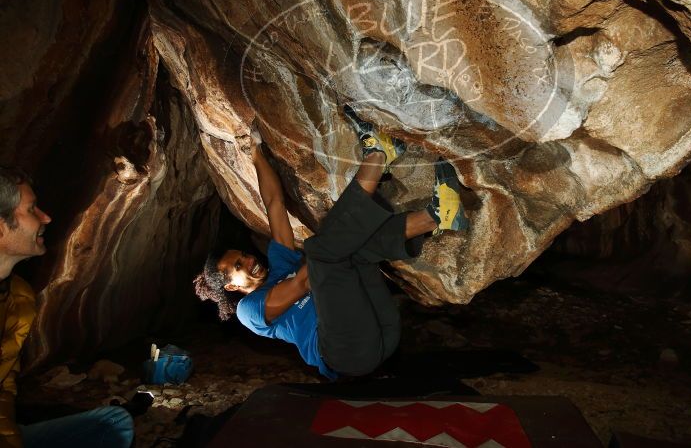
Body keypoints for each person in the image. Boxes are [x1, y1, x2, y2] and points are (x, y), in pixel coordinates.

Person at [193, 106, 469, 379]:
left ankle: (438, 216)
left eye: (243, 254)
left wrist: (255, 153)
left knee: (351, 252)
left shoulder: (279, 266)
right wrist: (332, 244)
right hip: (346, 353)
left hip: (380, 327)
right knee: (322, 254)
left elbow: (274, 205)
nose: (250, 259)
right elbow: (303, 281)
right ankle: (378, 154)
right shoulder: (248, 310)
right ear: (231, 286)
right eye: (239, 265)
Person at [0, 166, 134, 448]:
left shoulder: (19, 297)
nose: (46, 217)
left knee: (114, 423)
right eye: (32, 209)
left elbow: (5, 389)